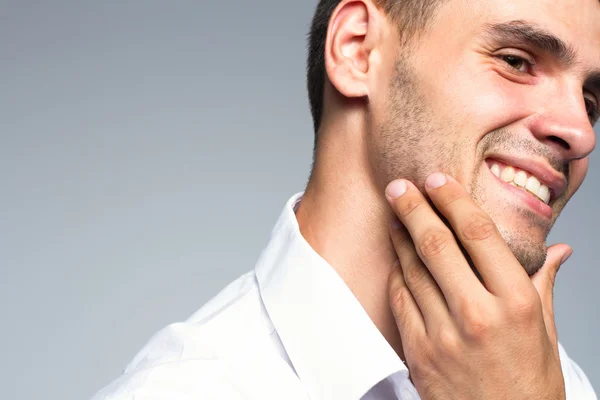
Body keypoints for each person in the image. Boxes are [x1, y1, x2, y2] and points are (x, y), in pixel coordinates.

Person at [92, 0, 599, 398]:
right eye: (515, 60)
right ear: (359, 50)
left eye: (591, 101)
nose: (580, 132)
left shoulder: (554, 386)